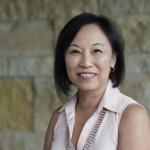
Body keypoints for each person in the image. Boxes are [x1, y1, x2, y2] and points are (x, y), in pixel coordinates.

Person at [44, 13, 150, 150]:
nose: (86, 62)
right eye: (75, 52)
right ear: (64, 59)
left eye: (97, 50)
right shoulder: (58, 118)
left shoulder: (131, 116)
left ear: (113, 59)